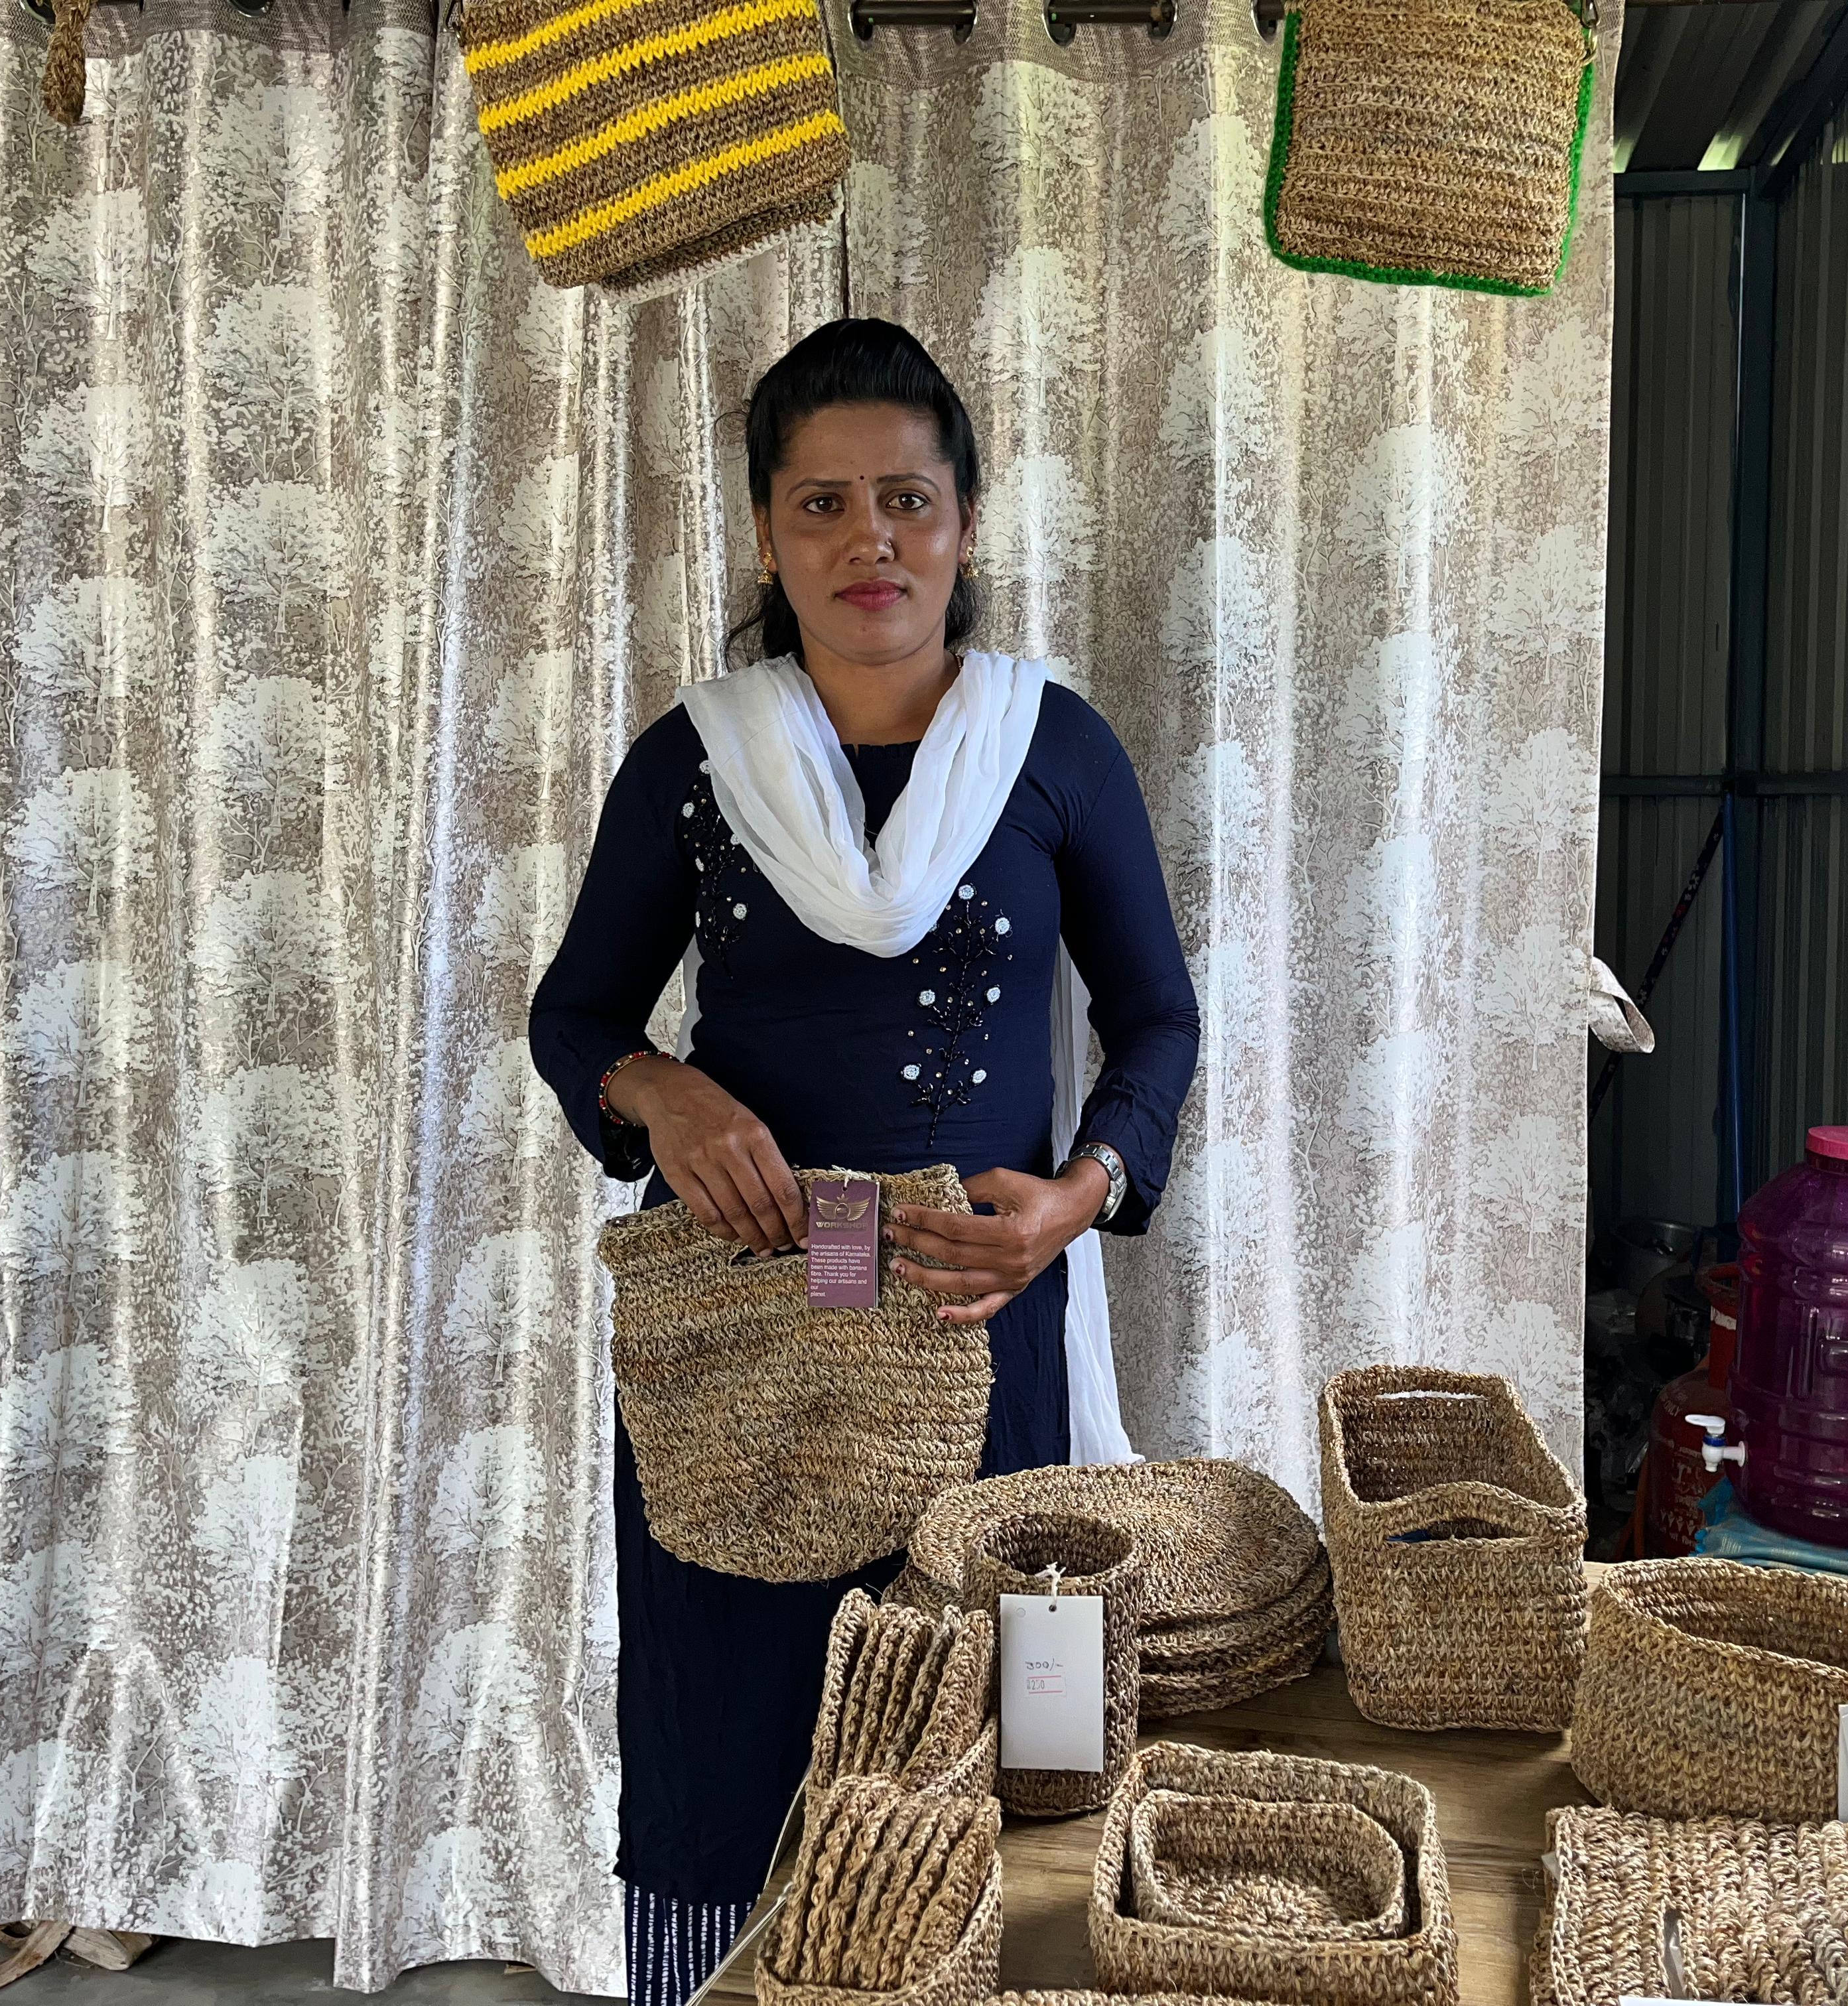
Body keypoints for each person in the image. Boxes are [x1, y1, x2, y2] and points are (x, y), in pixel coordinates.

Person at [529, 318, 1201, 2006]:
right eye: (822, 503)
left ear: (964, 524)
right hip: (761, 1318)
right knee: (750, 1702)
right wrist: (660, 1097)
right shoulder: (698, 762)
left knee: (984, 1709)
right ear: (767, 534)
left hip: (984, 1310)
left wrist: (1077, 1198)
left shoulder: (1051, 749)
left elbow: (1160, 1028)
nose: (868, 539)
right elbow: (578, 1012)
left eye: (906, 498)